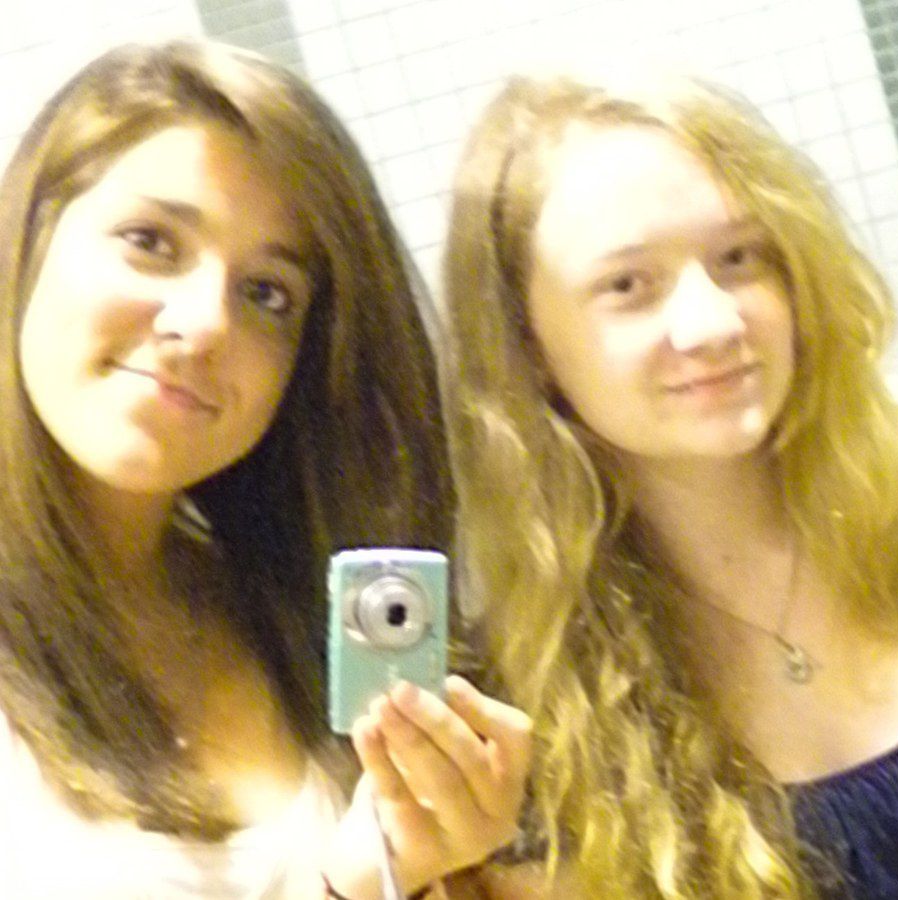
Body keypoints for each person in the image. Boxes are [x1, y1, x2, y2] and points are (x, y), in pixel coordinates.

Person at [0, 40, 531, 899]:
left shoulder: (289, 608)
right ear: (26, 239)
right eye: (150, 242)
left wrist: (417, 870)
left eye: (268, 293)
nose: (206, 322)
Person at [441, 73, 898, 898]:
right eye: (628, 286)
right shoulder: (528, 734)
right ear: (529, 349)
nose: (714, 323)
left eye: (738, 259)